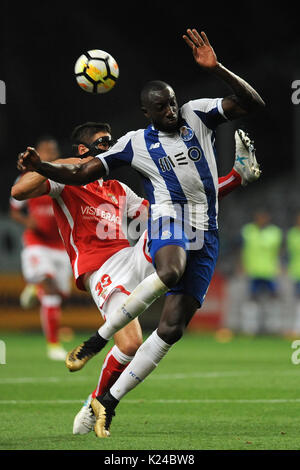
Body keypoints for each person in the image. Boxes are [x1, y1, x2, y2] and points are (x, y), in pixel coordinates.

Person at [16, 28, 265, 437]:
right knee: (132, 340)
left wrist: (215, 68)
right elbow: (21, 189)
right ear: (147, 113)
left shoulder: (131, 177)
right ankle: (97, 341)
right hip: (101, 266)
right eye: (101, 143)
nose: (170, 111)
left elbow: (251, 105)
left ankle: (103, 401)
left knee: (170, 329)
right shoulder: (85, 173)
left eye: (172, 103)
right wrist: (41, 166)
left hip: (166, 242)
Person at [10, 136, 72, 360]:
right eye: (45, 150)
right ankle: (53, 345)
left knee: (62, 294)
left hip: (60, 245)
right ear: (37, 153)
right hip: (37, 244)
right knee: (51, 290)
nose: (49, 153)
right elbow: (14, 207)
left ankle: (35, 288)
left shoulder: (63, 174)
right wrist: (29, 222)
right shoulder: (28, 178)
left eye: (52, 150)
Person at [240, 210, 283, 334]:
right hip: (253, 271)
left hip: (270, 271)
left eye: (263, 217)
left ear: (267, 218)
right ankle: (250, 329)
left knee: (273, 300)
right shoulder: (248, 230)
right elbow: (241, 248)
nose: (261, 220)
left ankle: (273, 328)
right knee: (252, 300)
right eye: (259, 217)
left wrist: (280, 266)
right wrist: (241, 265)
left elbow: (279, 250)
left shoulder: (275, 232)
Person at [286, 213, 300, 334]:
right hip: (296, 272)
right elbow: (288, 253)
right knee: (297, 301)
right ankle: (296, 328)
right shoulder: (292, 234)